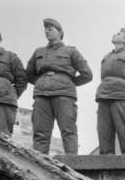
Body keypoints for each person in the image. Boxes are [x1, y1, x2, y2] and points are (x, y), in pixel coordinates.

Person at [26, 18, 93, 155]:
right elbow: (29, 74)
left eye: (50, 29)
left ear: (60, 32)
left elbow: (87, 74)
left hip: (64, 95)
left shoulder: (71, 51)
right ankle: (40, 166)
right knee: (40, 133)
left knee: (68, 131)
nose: (46, 32)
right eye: (45, 30)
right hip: (41, 95)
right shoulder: (39, 51)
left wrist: (68, 83)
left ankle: (74, 167)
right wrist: (41, 82)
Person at [0, 28, 27, 136]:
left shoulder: (10, 57)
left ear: (0, 39)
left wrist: (10, 94)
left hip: (3, 102)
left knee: (2, 136)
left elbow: (22, 80)